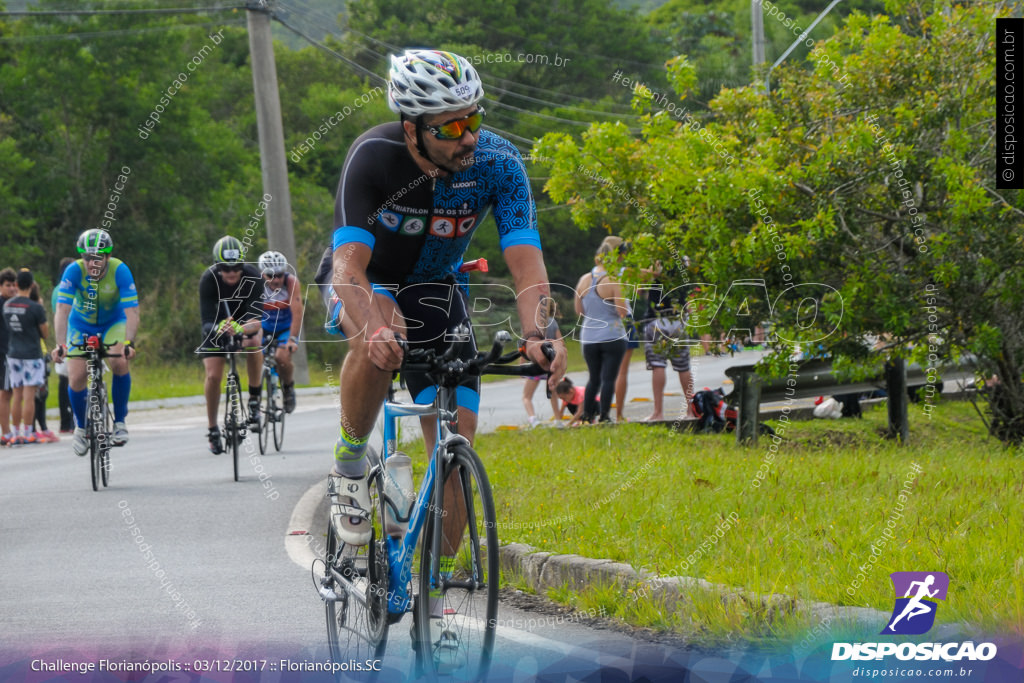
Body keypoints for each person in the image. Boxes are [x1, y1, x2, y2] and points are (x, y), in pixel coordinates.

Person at [316, 49, 566, 665]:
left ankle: (432, 586)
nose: (468, 137)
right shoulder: (374, 157)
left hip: (437, 289)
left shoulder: (500, 162)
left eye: (474, 119)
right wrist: (371, 322)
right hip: (367, 280)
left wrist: (541, 330)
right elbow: (348, 265)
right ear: (411, 128)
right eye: (450, 127)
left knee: (459, 442)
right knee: (382, 338)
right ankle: (350, 467)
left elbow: (525, 259)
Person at [51, 230, 139, 455]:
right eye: (88, 257)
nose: (92, 262)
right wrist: (60, 344)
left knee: (118, 361)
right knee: (77, 376)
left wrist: (128, 342)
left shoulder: (120, 270)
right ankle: (81, 427)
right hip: (81, 325)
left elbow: (132, 311)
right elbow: (62, 309)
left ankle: (119, 422)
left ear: (108, 257)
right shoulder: (74, 271)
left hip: (113, 323)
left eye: (98, 257)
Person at [198, 236, 264, 455]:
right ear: (218, 268)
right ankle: (212, 428)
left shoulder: (254, 277)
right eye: (226, 269)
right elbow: (206, 320)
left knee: (254, 343)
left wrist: (239, 329)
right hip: (217, 324)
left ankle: (254, 400)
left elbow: (256, 320)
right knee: (213, 376)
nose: (232, 273)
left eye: (236, 268)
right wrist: (220, 328)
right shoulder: (208, 280)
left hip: (245, 322)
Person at [574, 236, 628, 424]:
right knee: (608, 378)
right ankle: (605, 416)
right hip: (612, 336)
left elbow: (579, 311)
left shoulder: (583, 280)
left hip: (588, 337)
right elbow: (622, 311)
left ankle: (587, 416)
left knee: (593, 378)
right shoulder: (613, 280)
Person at [3, 270, 49, 444]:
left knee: (17, 394)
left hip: (13, 353)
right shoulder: (35, 307)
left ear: (16, 284)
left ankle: (15, 433)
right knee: (29, 395)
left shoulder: (7, 305)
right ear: (31, 285)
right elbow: (44, 333)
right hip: (32, 354)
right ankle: (28, 431)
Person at [643, 275, 694, 421]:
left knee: (658, 364)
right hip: (678, 319)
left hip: (657, 319)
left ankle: (658, 412)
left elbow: (640, 282)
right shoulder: (682, 263)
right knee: (684, 367)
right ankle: (691, 410)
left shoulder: (652, 260)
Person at [257, 250, 303, 413]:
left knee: (281, 357)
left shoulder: (291, 282)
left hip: (285, 328)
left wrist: (292, 338)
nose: (276, 279)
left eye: (280, 275)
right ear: (263, 274)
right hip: (264, 328)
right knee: (255, 357)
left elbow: (297, 312)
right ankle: (255, 400)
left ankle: (288, 387)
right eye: (271, 275)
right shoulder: (256, 284)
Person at [521, 297, 561, 426]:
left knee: (527, 396)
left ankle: (533, 419)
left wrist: (522, 363)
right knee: (553, 393)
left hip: (535, 363)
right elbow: (560, 340)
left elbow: (525, 345)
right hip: (550, 364)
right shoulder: (552, 322)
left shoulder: (531, 324)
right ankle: (558, 420)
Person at [28, 281, 58, 443]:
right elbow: (44, 332)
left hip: (37, 352)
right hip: (38, 352)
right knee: (40, 394)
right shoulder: (36, 308)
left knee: (35, 394)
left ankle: (34, 428)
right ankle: (39, 427)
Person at [52, 257, 76, 433]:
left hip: (63, 337)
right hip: (74, 336)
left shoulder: (55, 290)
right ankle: (76, 418)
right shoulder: (71, 288)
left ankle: (64, 422)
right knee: (77, 379)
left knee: (63, 381)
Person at [0, 268, 16, 446]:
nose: (12, 288)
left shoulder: (14, 303)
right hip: (3, 352)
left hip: (13, 352)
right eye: (8, 285)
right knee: (5, 393)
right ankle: (5, 432)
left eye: (14, 285)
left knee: (11, 392)